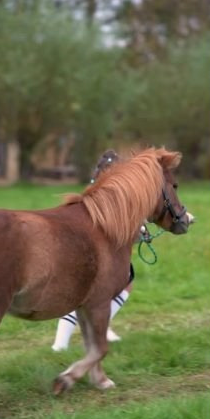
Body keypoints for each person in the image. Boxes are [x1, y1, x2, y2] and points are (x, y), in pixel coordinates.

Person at [51, 149, 139, 351]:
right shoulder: (110, 194)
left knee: (111, 288)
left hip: (80, 248)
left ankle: (66, 342)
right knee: (89, 295)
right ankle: (61, 344)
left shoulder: (91, 188)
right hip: (95, 253)